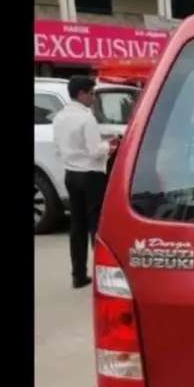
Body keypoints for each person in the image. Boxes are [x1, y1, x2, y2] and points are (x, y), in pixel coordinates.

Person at [52, 76, 117, 289]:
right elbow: (95, 151)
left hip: (71, 174)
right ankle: (102, 276)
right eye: (92, 93)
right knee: (96, 226)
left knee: (76, 225)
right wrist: (109, 146)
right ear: (81, 93)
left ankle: (78, 275)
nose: (93, 98)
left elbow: (58, 148)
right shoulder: (86, 118)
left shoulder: (59, 117)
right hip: (91, 176)